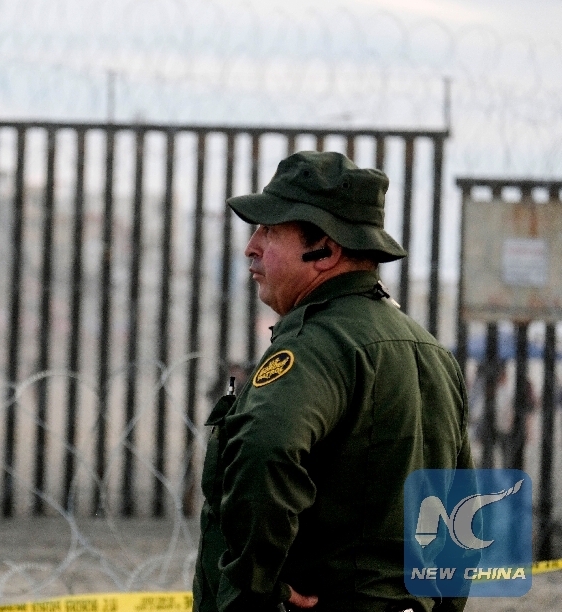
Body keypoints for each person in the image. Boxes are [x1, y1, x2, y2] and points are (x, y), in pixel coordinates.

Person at [192, 151, 473, 612]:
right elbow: (463, 508)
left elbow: (265, 449)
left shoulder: (316, 345)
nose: (251, 247)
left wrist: (258, 585)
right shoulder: (431, 352)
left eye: (269, 230)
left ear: (325, 250)